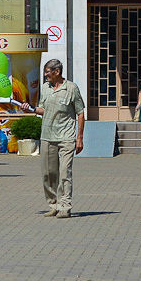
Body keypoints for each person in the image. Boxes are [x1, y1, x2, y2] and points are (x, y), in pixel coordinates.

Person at [36, 59, 85, 219]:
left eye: (47, 72)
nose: (45, 75)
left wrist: (79, 137)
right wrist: (29, 108)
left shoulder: (71, 88)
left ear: (57, 72)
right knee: (48, 174)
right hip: (47, 136)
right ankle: (53, 205)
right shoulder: (45, 88)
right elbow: (43, 109)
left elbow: (80, 113)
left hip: (66, 137)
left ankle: (65, 206)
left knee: (65, 173)